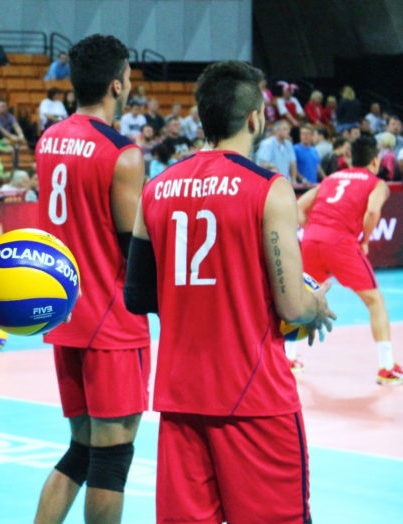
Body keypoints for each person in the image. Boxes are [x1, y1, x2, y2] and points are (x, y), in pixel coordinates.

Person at [125, 60, 335, 523]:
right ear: (255, 118)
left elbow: (136, 296)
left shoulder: (156, 189)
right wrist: (315, 306)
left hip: (181, 398)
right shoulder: (269, 189)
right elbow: (292, 304)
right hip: (253, 396)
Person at [34, 34, 150, 524]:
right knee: (111, 460)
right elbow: (133, 249)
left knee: (81, 450)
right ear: (117, 84)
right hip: (111, 319)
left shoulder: (49, 139)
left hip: (65, 315)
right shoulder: (122, 153)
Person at [297, 135, 402, 385]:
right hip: (341, 243)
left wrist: (311, 229)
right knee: (375, 300)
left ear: (351, 158)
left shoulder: (332, 178)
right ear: (375, 161)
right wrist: (364, 239)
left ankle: (288, 359)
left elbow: (299, 205)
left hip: (311, 240)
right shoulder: (377, 184)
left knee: (300, 300)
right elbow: (373, 211)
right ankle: (387, 367)